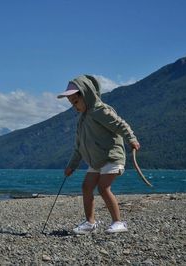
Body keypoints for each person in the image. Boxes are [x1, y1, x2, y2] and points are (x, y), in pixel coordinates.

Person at [57, 75, 140, 234]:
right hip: (96, 161)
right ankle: (90, 223)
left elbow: (120, 124)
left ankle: (118, 222)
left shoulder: (100, 110)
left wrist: (132, 138)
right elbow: (78, 147)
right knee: (86, 187)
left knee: (103, 187)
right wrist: (71, 166)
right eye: (71, 104)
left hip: (112, 157)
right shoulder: (81, 121)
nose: (75, 107)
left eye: (76, 102)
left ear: (86, 94)